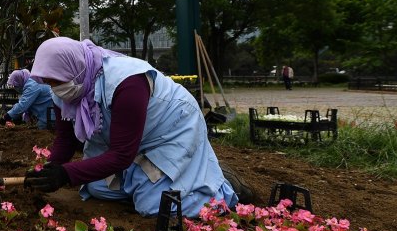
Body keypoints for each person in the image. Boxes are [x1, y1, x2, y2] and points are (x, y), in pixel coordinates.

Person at [24, 37, 252, 218]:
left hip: (172, 125)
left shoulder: (126, 82)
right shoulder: (65, 90)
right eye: (48, 83)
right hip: (136, 138)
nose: (54, 89)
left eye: (56, 81)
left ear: (74, 69)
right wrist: (49, 169)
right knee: (94, 187)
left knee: (154, 206)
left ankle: (223, 190)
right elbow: (65, 140)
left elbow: (122, 155)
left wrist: (64, 175)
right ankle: (153, 181)